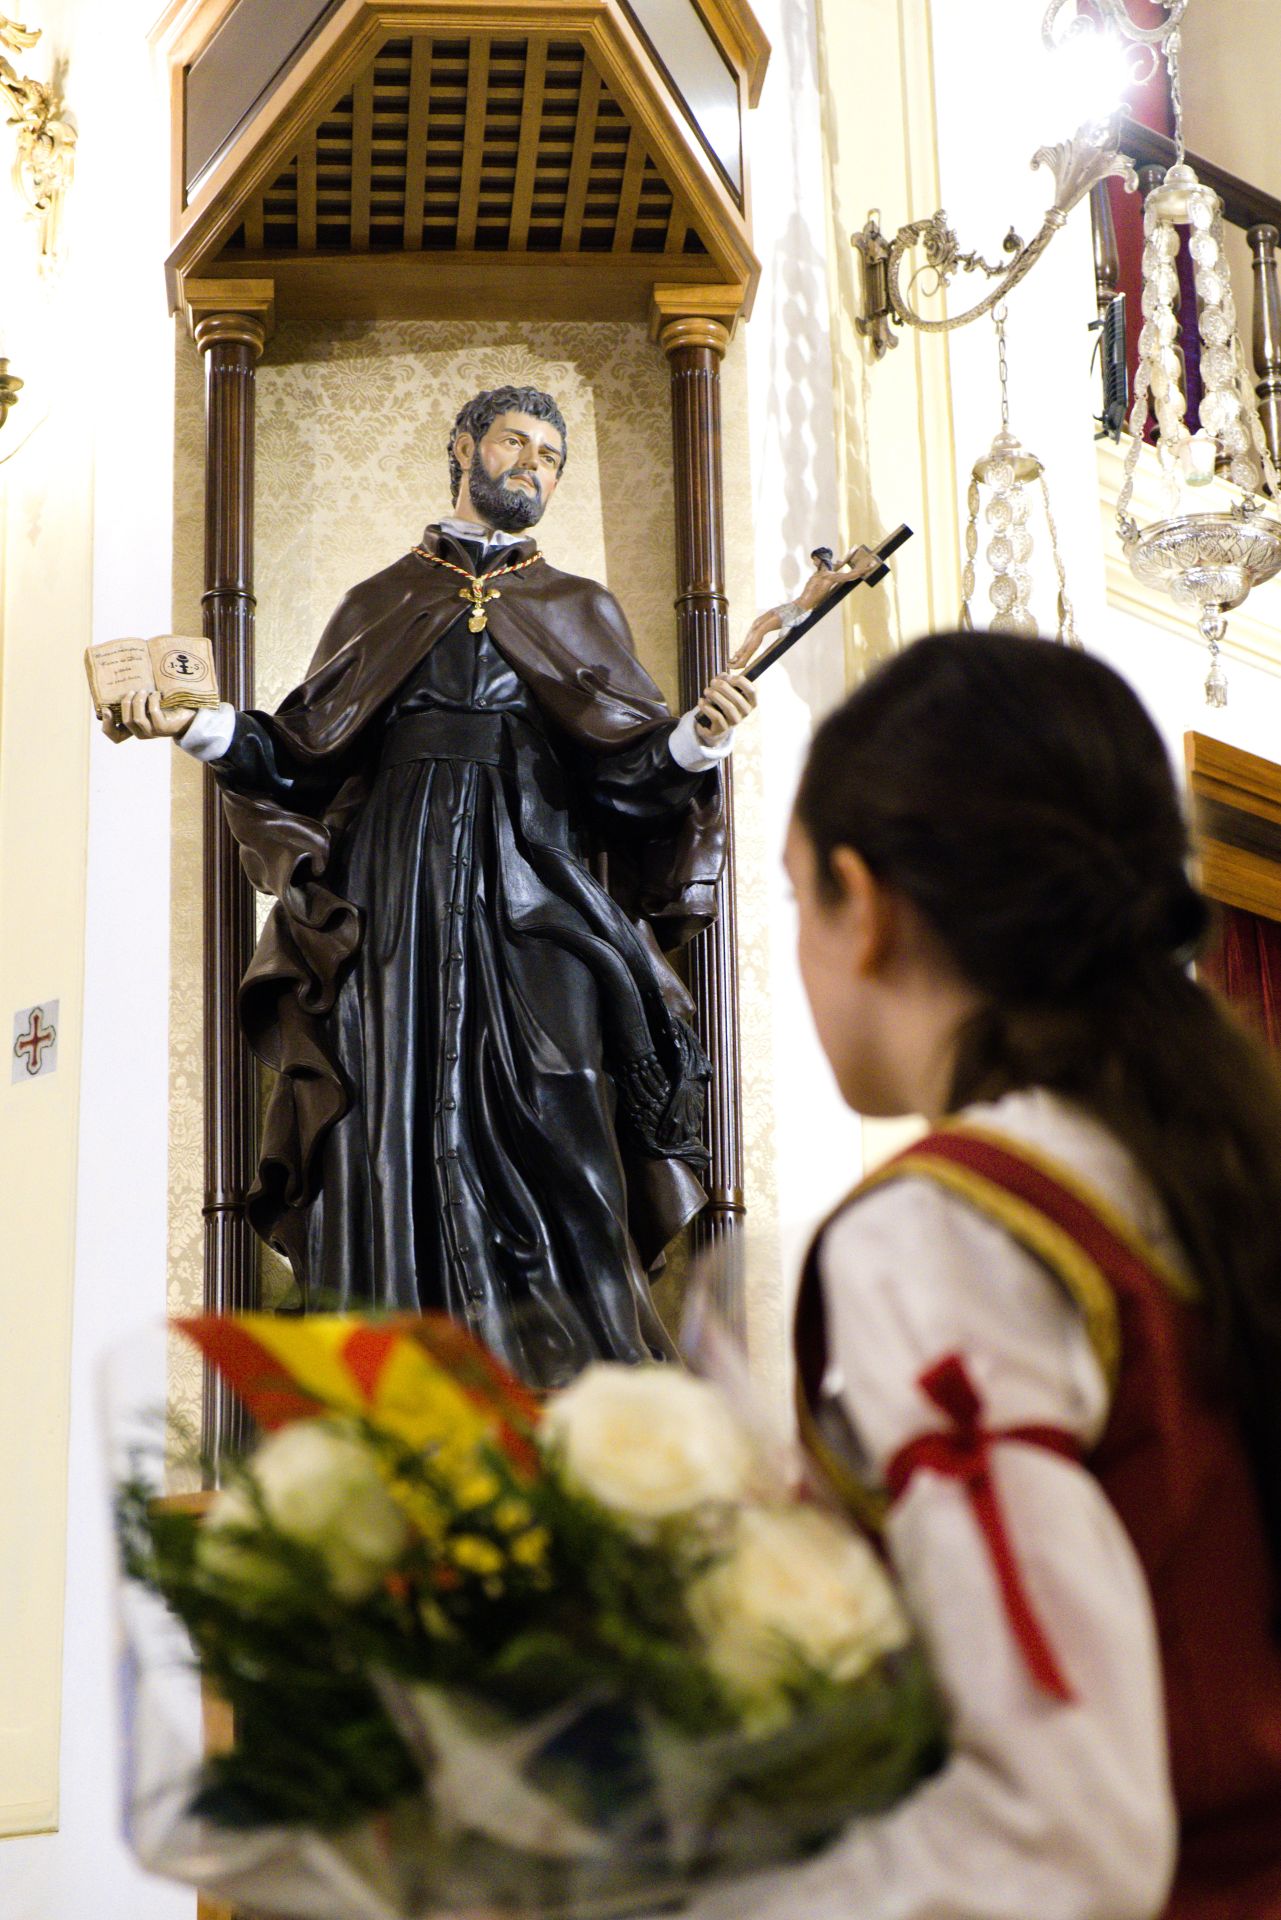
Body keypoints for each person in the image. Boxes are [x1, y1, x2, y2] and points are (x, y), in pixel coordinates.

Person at [685, 630, 1281, 1920]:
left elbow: (1056, 1835)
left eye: (795, 897)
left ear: (864, 902)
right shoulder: (1214, 1164)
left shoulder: (949, 1229)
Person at [105, 385, 851, 1390]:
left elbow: (626, 781)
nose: (533, 464)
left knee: (565, 1109)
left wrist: (694, 739)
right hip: (394, 901)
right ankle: (401, 1388)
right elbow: (300, 759)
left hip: (537, 892)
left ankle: (586, 1393)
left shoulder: (579, 608)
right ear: (464, 447)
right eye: (515, 442)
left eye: (551, 455)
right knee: (386, 1124)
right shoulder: (380, 601)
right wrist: (196, 724)